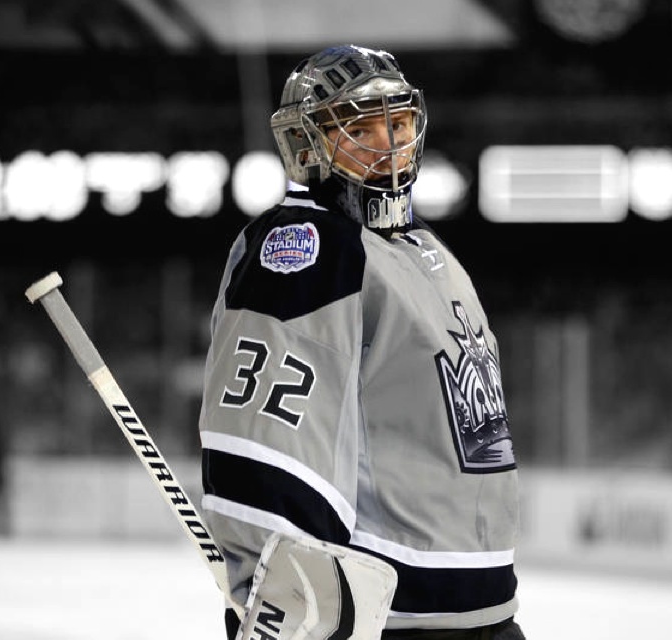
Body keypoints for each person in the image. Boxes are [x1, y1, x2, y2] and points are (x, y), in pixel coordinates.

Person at [198, 45, 525, 639]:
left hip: (484, 611)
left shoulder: (422, 249)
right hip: (390, 615)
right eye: (360, 129)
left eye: (397, 123)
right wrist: (282, 602)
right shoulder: (309, 246)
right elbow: (263, 447)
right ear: (308, 145)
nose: (388, 144)